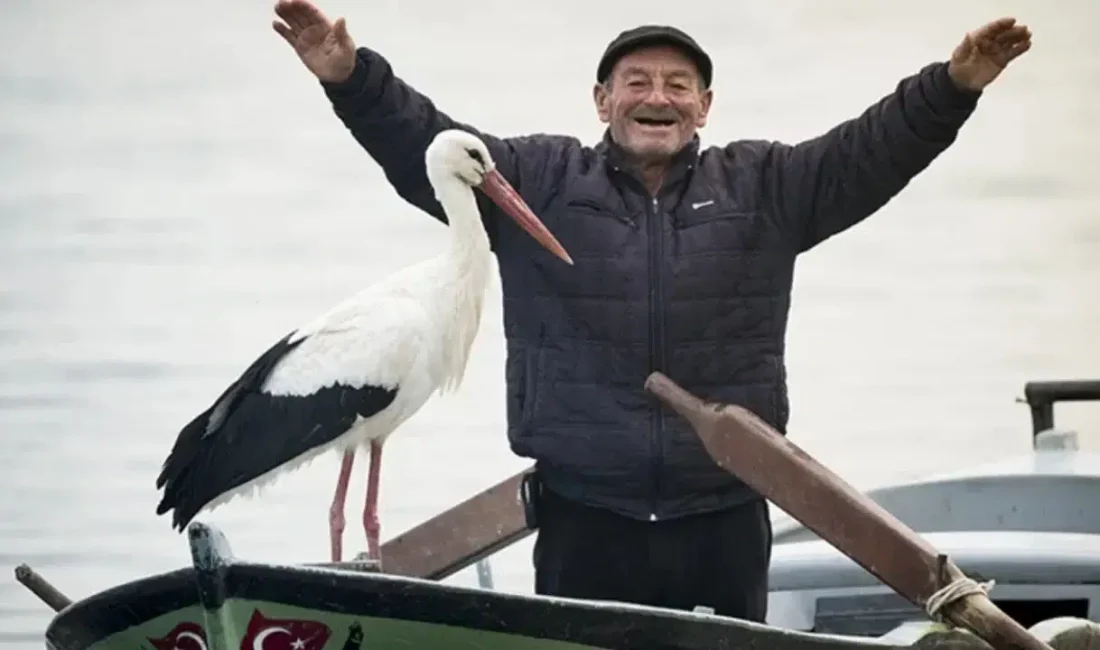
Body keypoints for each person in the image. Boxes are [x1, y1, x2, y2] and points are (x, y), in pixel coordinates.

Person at [271, 0, 1031, 621]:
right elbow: (426, 145)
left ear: (704, 106)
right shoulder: (537, 178)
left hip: (725, 511)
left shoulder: (767, 185)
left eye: (678, 83)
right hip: (583, 515)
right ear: (602, 101)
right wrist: (349, 77)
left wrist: (954, 84)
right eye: (635, 81)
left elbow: (872, 151)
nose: (657, 97)